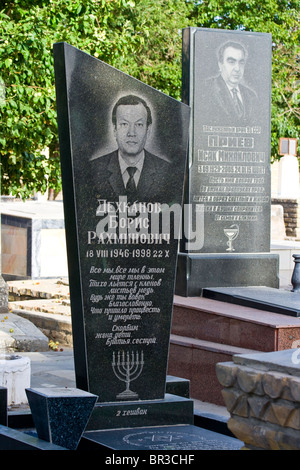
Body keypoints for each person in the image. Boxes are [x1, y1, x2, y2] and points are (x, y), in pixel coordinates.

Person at [90, 94, 171, 202]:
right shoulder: (93, 170)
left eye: (139, 125)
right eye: (124, 124)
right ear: (114, 129)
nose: (131, 133)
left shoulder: (167, 171)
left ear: (148, 130)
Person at [200, 41, 258, 125]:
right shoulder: (206, 89)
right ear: (220, 64)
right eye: (231, 62)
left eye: (241, 63)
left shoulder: (251, 95)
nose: (237, 68)